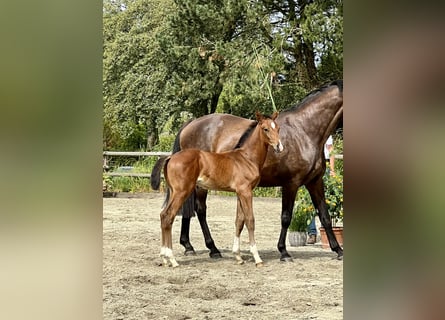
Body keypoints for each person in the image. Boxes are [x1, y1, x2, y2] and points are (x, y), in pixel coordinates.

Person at [306, 135, 335, 244]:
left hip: (325, 164)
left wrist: (332, 170)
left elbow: (331, 151)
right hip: (310, 165)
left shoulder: (327, 134)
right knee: (309, 202)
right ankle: (312, 233)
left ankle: (326, 231)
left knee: (325, 200)